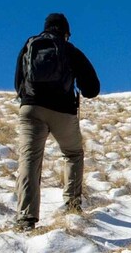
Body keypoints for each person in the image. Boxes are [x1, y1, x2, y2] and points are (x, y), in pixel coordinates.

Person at [13, 13, 100, 231]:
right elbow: (92, 89)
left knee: (29, 161)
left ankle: (26, 218)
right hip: (62, 111)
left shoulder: (29, 46)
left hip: (31, 109)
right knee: (73, 154)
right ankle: (72, 204)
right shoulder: (69, 50)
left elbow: (18, 82)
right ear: (66, 32)